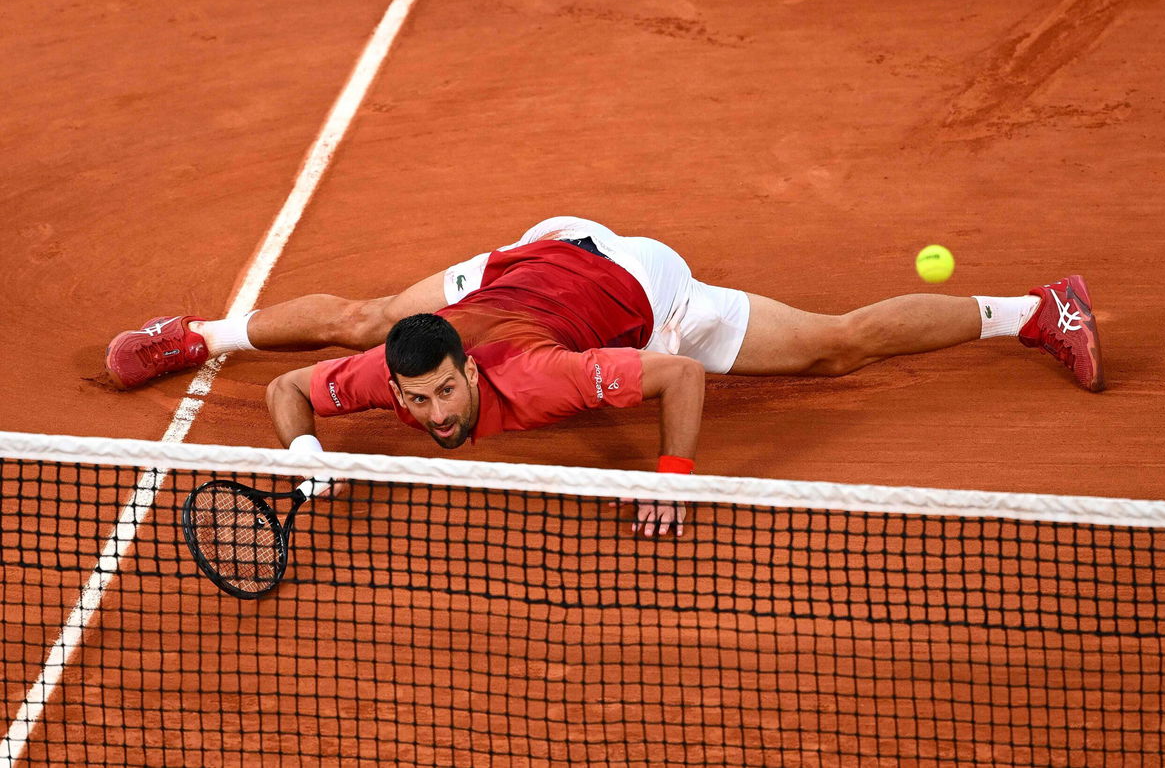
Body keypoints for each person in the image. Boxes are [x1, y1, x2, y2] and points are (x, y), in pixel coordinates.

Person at [105, 216, 1104, 535]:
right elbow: (294, 390)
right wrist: (308, 453)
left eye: (443, 392)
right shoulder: (392, 370)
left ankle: (1038, 310)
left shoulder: (543, 383)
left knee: (832, 348)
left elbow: (676, 377)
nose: (437, 413)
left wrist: (666, 477)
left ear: (461, 371)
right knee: (368, 313)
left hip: (642, 285)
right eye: (423, 401)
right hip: (535, 254)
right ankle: (191, 334)